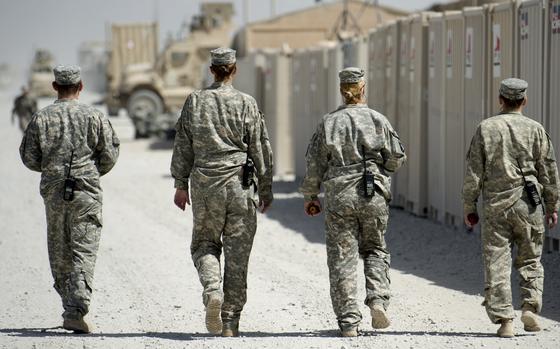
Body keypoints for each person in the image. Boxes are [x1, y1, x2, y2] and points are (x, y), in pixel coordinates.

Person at [170, 47, 273, 337]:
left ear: (212, 70)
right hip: (240, 186)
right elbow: (260, 148)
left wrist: (180, 184)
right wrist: (266, 189)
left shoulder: (195, 101)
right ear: (234, 69)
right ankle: (229, 322)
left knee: (205, 244)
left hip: (205, 185)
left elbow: (183, 146)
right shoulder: (246, 103)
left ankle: (212, 289)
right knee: (238, 256)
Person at [300, 67, 406, 337]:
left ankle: (348, 322)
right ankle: (378, 301)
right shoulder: (378, 120)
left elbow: (314, 163)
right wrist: (378, 166)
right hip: (373, 194)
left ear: (342, 90)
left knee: (342, 257)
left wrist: (311, 195)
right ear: (363, 89)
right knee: (375, 249)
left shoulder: (329, 123)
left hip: (340, 196)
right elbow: (396, 158)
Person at [19, 65, 120, 333]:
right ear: (81, 87)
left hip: (54, 191)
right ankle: (76, 309)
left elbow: (29, 156)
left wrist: (52, 168)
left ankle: (69, 306)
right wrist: (90, 172)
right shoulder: (94, 116)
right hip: (86, 190)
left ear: (55, 87)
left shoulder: (41, 118)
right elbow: (110, 154)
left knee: (60, 248)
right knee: (84, 248)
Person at [462, 78, 559, 338]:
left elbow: (474, 172)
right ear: (524, 101)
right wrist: (552, 206)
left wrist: (469, 206)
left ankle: (505, 320)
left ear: (500, 100)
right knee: (530, 259)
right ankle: (530, 307)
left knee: (497, 262)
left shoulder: (486, 129)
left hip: (496, 207)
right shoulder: (536, 130)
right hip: (530, 206)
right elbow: (549, 171)